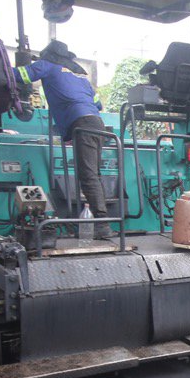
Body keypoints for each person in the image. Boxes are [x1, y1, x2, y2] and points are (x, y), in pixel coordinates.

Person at [15, 42, 112, 237]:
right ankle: (101, 221)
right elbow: (98, 104)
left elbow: (20, 75)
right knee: (94, 175)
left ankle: (102, 225)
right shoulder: (80, 76)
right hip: (97, 124)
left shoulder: (47, 65)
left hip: (82, 125)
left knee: (88, 176)